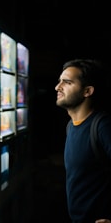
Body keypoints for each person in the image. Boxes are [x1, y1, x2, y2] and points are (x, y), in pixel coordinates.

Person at [55, 58, 111, 223]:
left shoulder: (102, 126)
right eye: (59, 82)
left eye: (67, 82)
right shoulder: (71, 126)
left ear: (87, 91)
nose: (57, 87)